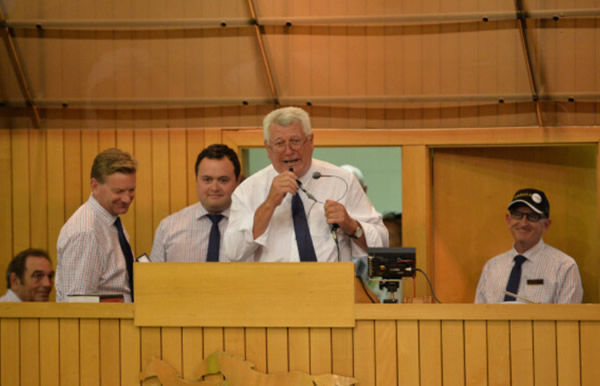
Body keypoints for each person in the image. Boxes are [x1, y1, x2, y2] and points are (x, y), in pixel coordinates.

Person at [223, 106, 388, 262]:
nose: (288, 150)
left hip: (330, 288)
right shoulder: (248, 189)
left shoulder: (342, 181)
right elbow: (234, 252)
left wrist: (351, 225)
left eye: (295, 141)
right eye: (279, 143)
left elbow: (382, 244)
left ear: (311, 141)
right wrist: (269, 203)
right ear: (268, 148)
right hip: (273, 289)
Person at [55, 148, 137, 302]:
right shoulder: (87, 232)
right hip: (101, 325)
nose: (126, 199)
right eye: (118, 191)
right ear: (94, 185)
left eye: (131, 190)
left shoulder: (110, 220)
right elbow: (78, 306)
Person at [475, 188, 583, 304]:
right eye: (517, 215)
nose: (523, 223)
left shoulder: (564, 267)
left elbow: (568, 320)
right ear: (508, 220)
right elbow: (478, 318)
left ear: (546, 225)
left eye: (532, 216)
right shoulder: (491, 267)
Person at [151, 144, 242, 262]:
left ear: (238, 181)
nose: (214, 188)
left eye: (223, 180)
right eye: (207, 180)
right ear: (196, 179)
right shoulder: (168, 228)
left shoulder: (252, 226)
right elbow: (153, 278)